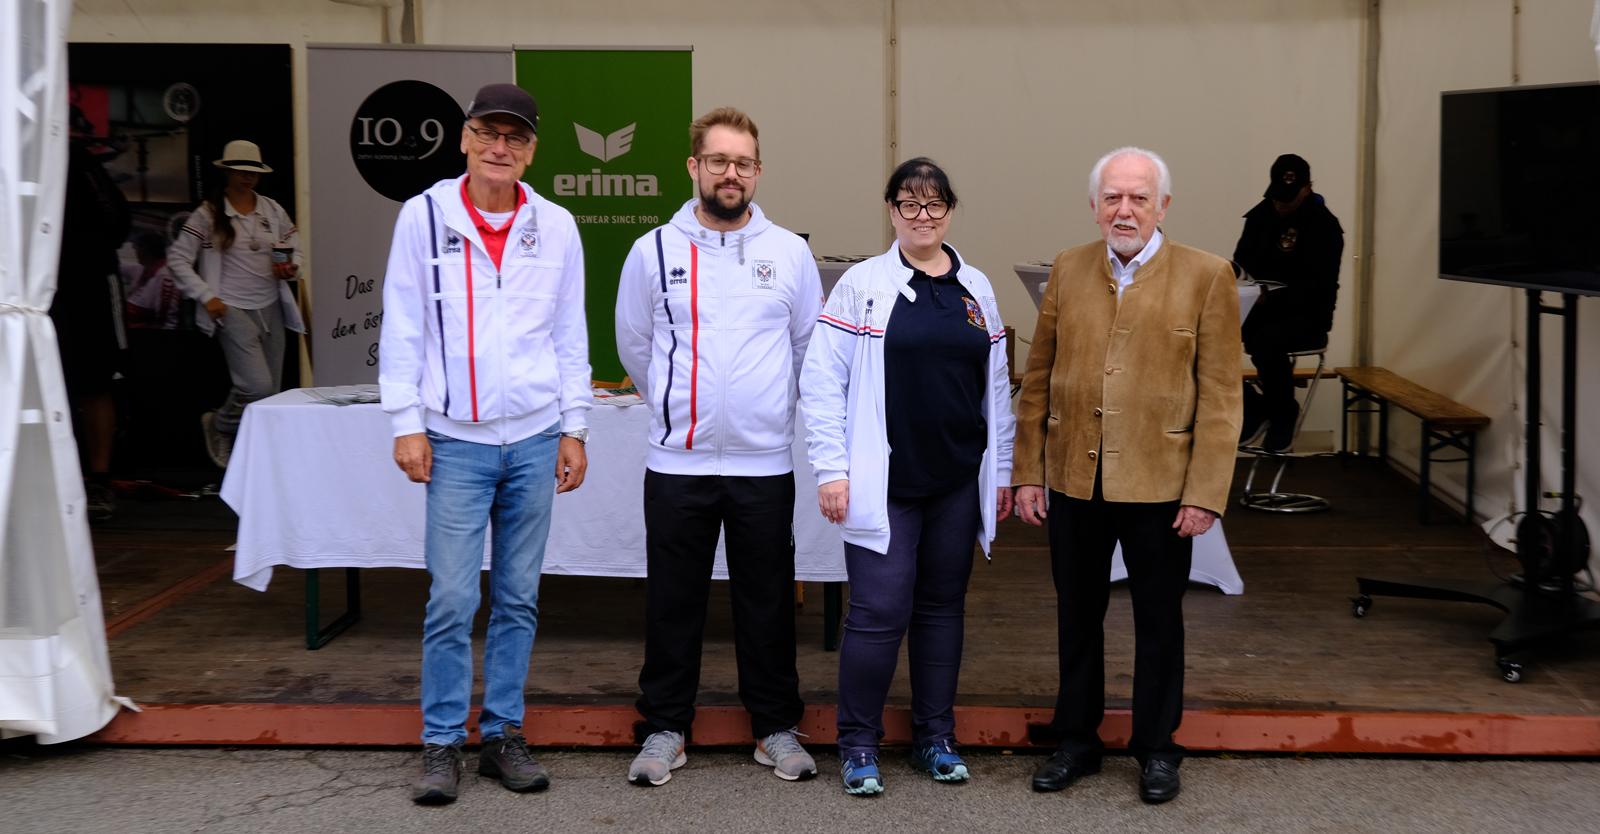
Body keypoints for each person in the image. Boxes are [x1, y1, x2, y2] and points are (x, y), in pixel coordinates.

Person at [379, 83, 592, 804]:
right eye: (488, 133)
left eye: (517, 137)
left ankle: (503, 732)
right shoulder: (424, 216)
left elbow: (570, 335)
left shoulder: (556, 225)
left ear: (532, 151)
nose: (501, 148)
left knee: (519, 597)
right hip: (456, 440)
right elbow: (404, 324)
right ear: (464, 139)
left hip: (533, 439)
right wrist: (406, 421)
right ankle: (441, 743)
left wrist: (576, 428)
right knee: (448, 598)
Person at [1013, 147, 1241, 804]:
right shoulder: (1068, 268)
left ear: (1163, 205)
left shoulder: (1206, 275)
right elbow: (1039, 379)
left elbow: (1223, 395)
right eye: (1112, 197)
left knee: (1159, 621)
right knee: (1076, 615)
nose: (1124, 209)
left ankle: (1157, 748)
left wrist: (1205, 493)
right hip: (1074, 479)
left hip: (1161, 485)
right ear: (1094, 205)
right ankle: (1076, 740)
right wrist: (1029, 472)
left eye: (1139, 197)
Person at [614, 107, 823, 787]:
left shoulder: (789, 252)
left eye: (742, 163)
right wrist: (685, 412)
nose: (729, 174)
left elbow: (805, 351)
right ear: (694, 167)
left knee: (766, 600)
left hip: (765, 463)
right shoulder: (653, 250)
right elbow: (636, 346)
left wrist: (760, 415)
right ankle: (666, 729)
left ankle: (774, 729)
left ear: (757, 172)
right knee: (674, 600)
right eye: (717, 161)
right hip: (678, 462)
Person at [800, 157, 1016, 796]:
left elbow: (996, 387)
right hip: (884, 480)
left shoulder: (976, 286)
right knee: (877, 611)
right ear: (891, 211)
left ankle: (934, 737)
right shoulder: (862, 284)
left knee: (943, 609)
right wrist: (832, 470)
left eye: (934, 204)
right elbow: (821, 381)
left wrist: (999, 472)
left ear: (949, 210)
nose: (922, 216)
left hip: (956, 478)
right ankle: (858, 742)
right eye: (909, 204)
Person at [167, 139, 305, 468]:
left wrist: (291, 267)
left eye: (254, 170)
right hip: (231, 308)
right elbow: (177, 258)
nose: (248, 177)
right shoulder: (208, 213)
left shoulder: (271, 208)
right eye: (241, 170)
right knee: (257, 386)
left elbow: (295, 248)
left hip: (270, 305)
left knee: (269, 392)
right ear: (227, 171)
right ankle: (222, 423)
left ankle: (248, 449)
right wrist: (207, 296)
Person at [1232, 153, 1344, 451]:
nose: (1281, 203)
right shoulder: (1261, 215)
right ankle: (1253, 405)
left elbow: (1318, 289)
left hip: (1306, 312)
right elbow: (1242, 261)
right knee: (1199, 335)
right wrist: (1235, 278)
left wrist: (1269, 297)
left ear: (1308, 188)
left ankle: (1283, 414)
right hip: (1258, 304)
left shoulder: (1324, 226)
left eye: (1288, 198)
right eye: (1277, 196)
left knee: (1263, 342)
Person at [52, 105, 131, 521]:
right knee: (46, 383)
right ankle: (52, 477)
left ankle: (99, 481)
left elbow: (118, 223)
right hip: (36, 288)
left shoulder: (81, 161)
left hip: (90, 283)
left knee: (97, 380)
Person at [123, 232, 181, 330]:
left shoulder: (165, 278)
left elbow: (167, 324)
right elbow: (117, 264)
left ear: (144, 250)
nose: (135, 250)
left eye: (136, 246)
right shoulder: (141, 269)